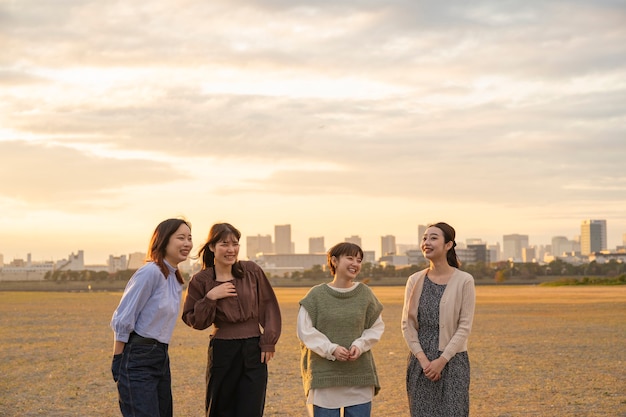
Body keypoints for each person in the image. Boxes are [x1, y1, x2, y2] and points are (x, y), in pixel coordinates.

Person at [182, 222, 282, 417]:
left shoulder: (251, 271)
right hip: (222, 350)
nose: (231, 249)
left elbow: (269, 304)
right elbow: (194, 319)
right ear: (212, 247)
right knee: (220, 407)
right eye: (224, 244)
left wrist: (268, 342)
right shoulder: (201, 280)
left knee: (251, 408)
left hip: (254, 349)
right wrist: (211, 297)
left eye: (235, 244)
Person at [110, 218, 193, 417]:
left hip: (161, 356)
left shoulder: (174, 278)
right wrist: (118, 359)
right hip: (137, 355)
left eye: (189, 238)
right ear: (163, 240)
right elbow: (124, 317)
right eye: (180, 238)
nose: (187, 243)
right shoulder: (150, 272)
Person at [297, 242, 384, 417]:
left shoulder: (365, 294)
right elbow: (305, 331)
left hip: (359, 378)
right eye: (350, 258)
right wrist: (331, 349)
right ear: (334, 261)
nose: (355, 264)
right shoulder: (316, 295)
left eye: (359, 260)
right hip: (324, 379)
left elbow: (376, 327)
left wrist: (360, 345)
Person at [401, 222, 476, 417]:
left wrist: (442, 360)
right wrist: (424, 361)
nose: (427, 242)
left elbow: (464, 326)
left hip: (453, 362)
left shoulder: (464, 280)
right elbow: (407, 325)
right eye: (424, 238)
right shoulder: (414, 280)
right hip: (420, 363)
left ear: (448, 245)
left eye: (433, 238)